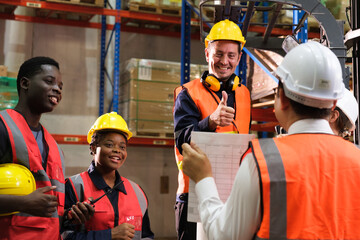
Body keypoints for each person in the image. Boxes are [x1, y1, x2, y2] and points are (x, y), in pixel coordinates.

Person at [181, 41, 360, 240]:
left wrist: (204, 178)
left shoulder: (262, 161)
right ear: (333, 103)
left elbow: (225, 235)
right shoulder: (357, 159)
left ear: (281, 98)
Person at [173, 19, 251, 240]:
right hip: (194, 195)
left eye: (231, 55)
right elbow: (182, 142)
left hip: (233, 195)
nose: (224, 61)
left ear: (239, 57)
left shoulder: (244, 95)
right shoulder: (187, 93)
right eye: (218, 53)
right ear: (207, 53)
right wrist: (210, 122)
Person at [0, 56, 93, 239]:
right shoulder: (3, 127)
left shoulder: (54, 147)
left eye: (60, 86)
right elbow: (29, 205)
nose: (57, 89)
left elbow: (49, 214)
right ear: (25, 83)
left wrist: (70, 216)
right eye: (49, 81)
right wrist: (22, 203)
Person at [62, 111, 154, 240]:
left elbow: (146, 236)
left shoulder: (137, 192)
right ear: (93, 148)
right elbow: (63, 236)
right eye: (109, 145)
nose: (117, 150)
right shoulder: (74, 187)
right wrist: (109, 235)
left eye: (122, 147)